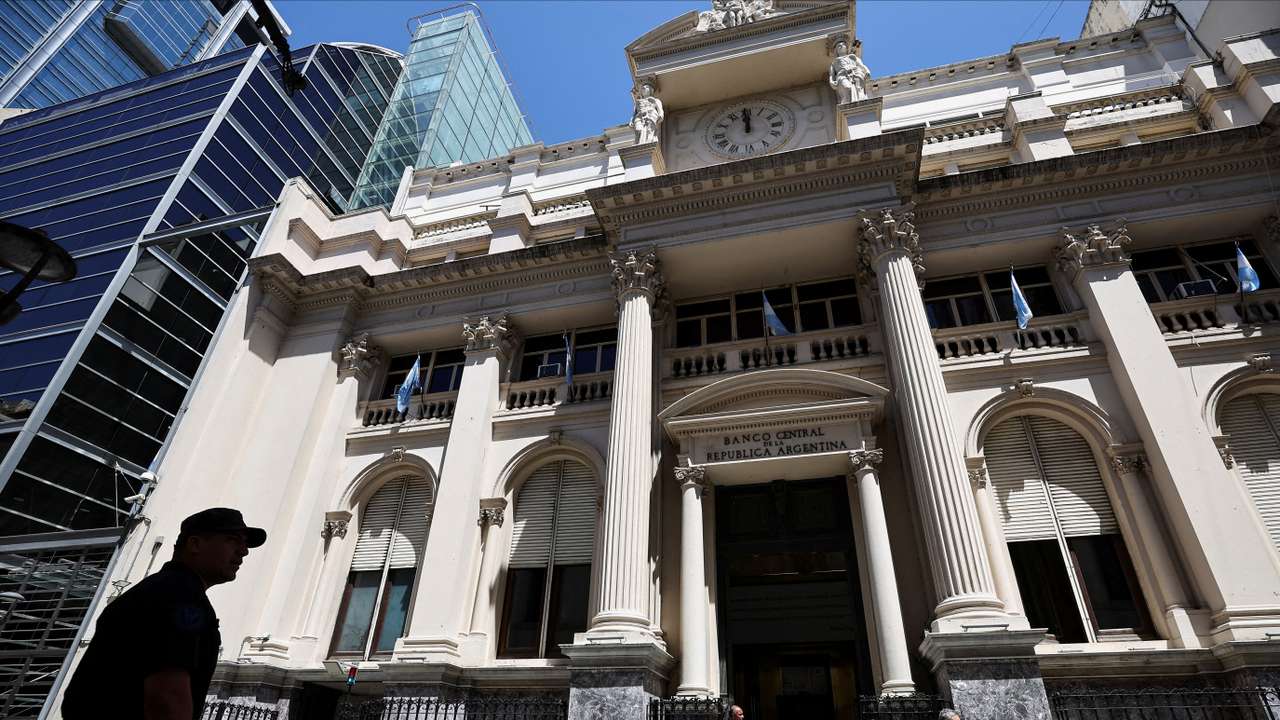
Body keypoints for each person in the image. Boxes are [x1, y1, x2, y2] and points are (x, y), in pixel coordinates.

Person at [63, 508, 266, 720]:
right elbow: (167, 697)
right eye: (232, 540)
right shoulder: (178, 594)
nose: (244, 551)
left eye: (244, 544)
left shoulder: (164, 589)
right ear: (195, 544)